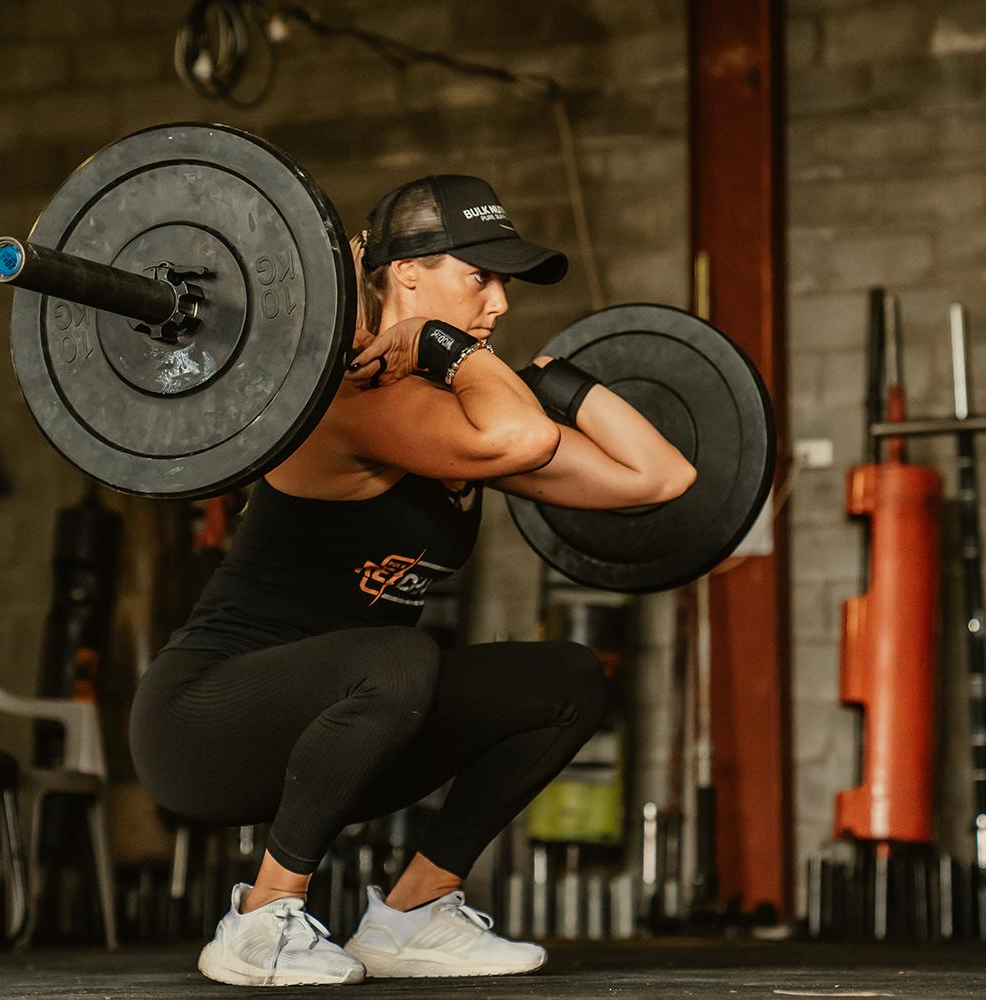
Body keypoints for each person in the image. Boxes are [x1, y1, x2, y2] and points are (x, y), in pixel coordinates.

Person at [129, 175, 696, 987]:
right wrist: (445, 347)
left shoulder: (463, 411)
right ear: (407, 274)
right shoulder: (354, 402)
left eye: (506, 283)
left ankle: (413, 914)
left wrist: (559, 377)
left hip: (346, 725)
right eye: (480, 277)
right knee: (398, 659)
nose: (498, 303)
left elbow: (659, 478)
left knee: (567, 679)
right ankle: (259, 921)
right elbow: (520, 435)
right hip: (203, 725)